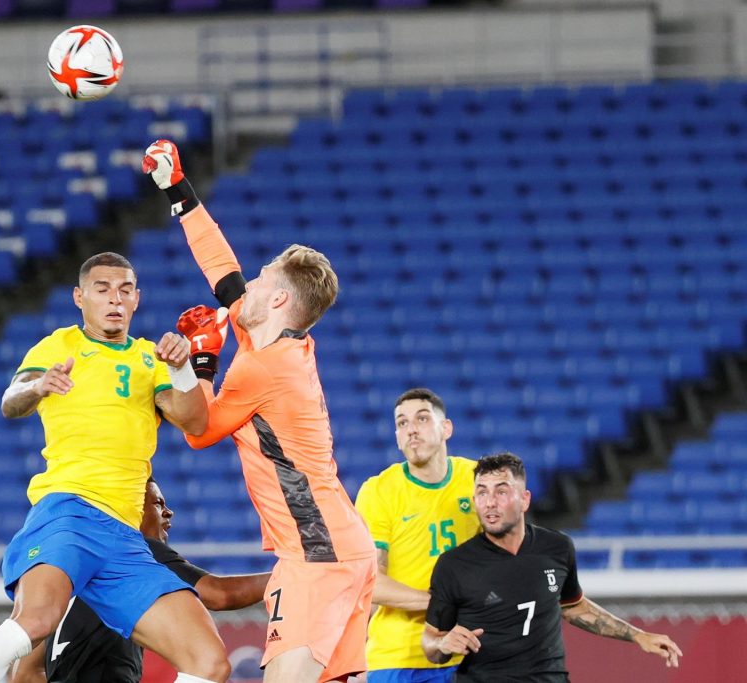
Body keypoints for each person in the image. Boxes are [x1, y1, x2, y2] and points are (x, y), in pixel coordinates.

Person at [143, 140, 377, 683]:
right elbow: (224, 274)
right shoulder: (275, 344)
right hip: (338, 548)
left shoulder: (264, 369)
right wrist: (178, 189)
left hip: (315, 557)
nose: (247, 284)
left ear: (277, 301)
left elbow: (199, 429)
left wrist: (200, 362)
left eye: (262, 279)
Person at [0, 252, 231, 683]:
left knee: (209, 662)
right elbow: (10, 401)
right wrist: (39, 384)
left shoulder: (151, 359)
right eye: (102, 290)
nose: (115, 299)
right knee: (35, 622)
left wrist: (182, 370)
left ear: (137, 299)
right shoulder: (58, 346)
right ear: (80, 298)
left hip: (125, 537)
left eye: (125, 290)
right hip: (70, 512)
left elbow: (196, 423)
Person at [422, 452, 683, 681]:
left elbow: (572, 605)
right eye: (482, 492)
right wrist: (442, 644)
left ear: (524, 499)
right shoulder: (454, 565)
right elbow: (430, 641)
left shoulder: (557, 548)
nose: (490, 502)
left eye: (501, 492)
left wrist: (638, 636)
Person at [10, 477, 271, 683]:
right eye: (158, 504)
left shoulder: (65, 566)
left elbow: (25, 673)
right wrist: (287, 576)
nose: (169, 512)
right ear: (131, 508)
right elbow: (220, 594)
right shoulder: (134, 554)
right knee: (209, 665)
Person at [354, 388, 482, 682]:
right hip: (398, 657)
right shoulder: (378, 491)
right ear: (397, 438)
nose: (411, 429)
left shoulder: (477, 479)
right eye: (402, 423)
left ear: (446, 428)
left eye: (422, 419)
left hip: (469, 651)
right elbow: (369, 582)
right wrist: (441, 603)